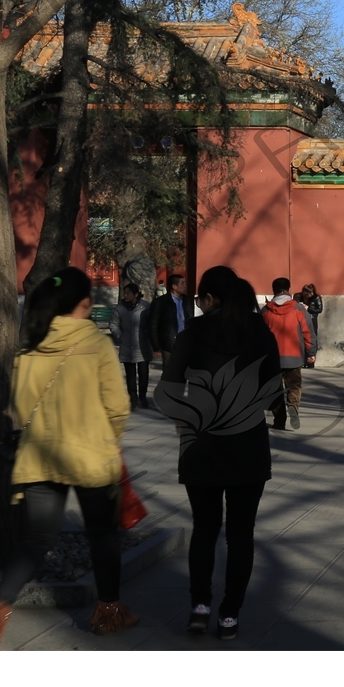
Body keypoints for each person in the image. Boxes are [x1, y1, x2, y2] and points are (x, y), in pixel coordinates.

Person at [0, 267, 138, 649]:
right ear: (81, 305)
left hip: (40, 457)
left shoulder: (28, 349)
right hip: (91, 456)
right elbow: (117, 405)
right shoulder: (97, 343)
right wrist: (110, 439)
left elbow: (21, 405)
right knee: (103, 536)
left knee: (35, 540)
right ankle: (110, 612)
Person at [155, 265, 282, 640]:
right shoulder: (259, 331)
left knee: (205, 530)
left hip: (202, 445)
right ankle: (229, 616)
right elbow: (274, 391)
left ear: (209, 299)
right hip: (247, 445)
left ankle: (199, 608)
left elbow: (170, 389)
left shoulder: (192, 332)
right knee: (241, 534)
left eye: (199, 299)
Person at [262, 276, 314, 429]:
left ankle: (279, 421)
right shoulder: (298, 309)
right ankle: (293, 406)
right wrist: (311, 351)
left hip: (272, 358)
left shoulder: (265, 311)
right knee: (294, 386)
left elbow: (258, 335)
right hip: (294, 356)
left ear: (274, 290)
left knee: (276, 391)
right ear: (288, 289)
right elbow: (308, 332)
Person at [113, 280, 154, 408]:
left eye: (128, 293)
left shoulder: (145, 307)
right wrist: (120, 335)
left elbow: (152, 323)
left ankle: (143, 397)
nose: (125, 295)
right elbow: (113, 324)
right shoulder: (120, 308)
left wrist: (147, 334)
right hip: (127, 346)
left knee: (143, 374)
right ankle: (133, 398)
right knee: (130, 376)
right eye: (124, 293)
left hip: (142, 345)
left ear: (136, 294)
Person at [150, 270, 194, 364]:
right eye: (182, 283)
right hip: (169, 343)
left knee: (184, 372)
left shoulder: (186, 300)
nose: (185, 286)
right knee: (169, 374)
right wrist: (156, 345)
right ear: (174, 286)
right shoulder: (161, 302)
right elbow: (154, 324)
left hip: (185, 342)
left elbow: (190, 319)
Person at [297, 282, 324, 353]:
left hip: (311, 319)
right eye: (308, 293)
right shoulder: (298, 296)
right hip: (300, 319)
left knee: (312, 336)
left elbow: (319, 309)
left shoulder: (316, 297)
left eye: (311, 293)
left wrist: (308, 308)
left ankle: (312, 354)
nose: (310, 295)